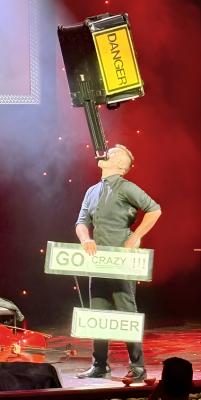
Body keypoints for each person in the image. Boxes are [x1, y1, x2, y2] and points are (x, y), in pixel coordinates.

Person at [75, 144, 162, 381]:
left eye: (113, 153)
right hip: (98, 261)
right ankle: (100, 365)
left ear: (121, 165)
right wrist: (86, 239)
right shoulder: (92, 190)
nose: (107, 153)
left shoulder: (126, 187)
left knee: (126, 312)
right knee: (98, 313)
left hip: (122, 259)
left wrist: (136, 236)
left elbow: (154, 210)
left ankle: (138, 367)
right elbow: (81, 222)